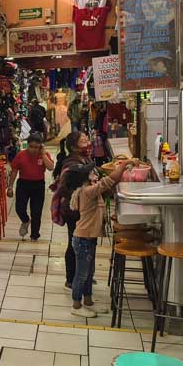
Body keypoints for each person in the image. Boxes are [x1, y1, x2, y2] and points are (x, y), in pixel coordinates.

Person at [66, 159, 136, 317]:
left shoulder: (89, 190)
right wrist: (125, 164)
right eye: (91, 172)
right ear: (84, 179)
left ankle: (88, 301)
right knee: (81, 274)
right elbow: (110, 180)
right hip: (83, 238)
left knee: (89, 273)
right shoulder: (87, 191)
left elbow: (108, 187)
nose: (94, 173)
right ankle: (76, 306)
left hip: (88, 238)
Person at [52, 131, 93, 290]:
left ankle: (81, 275)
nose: (88, 142)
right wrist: (80, 197)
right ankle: (71, 279)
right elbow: (63, 188)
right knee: (75, 244)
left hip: (79, 209)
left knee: (80, 243)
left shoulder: (83, 158)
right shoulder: (72, 163)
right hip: (73, 210)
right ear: (74, 146)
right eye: (84, 141)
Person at [7, 133, 54, 240]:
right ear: (27, 145)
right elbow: (14, 171)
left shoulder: (44, 155)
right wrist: (10, 187)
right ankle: (25, 220)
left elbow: (50, 167)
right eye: (31, 146)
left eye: (36, 147)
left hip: (38, 185)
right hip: (23, 184)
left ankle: (34, 234)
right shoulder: (21, 155)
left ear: (41, 146)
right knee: (19, 208)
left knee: (36, 212)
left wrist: (42, 154)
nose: (33, 149)